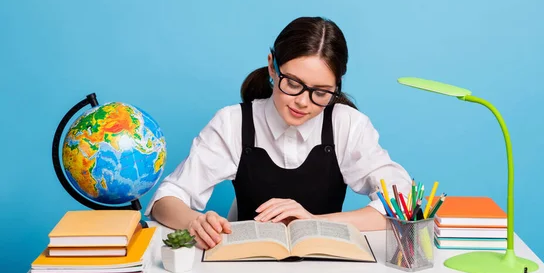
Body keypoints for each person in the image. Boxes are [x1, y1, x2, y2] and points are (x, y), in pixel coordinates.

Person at [146, 16, 412, 250]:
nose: (302, 102)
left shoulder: (347, 124)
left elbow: (402, 202)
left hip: (326, 269)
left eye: (321, 92)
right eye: (293, 84)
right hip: (247, 267)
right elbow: (166, 199)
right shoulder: (233, 122)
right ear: (272, 66)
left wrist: (315, 222)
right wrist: (196, 222)